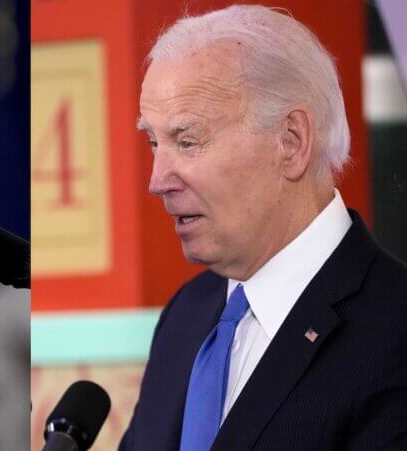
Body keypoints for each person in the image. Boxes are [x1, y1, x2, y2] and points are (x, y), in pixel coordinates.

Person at [122, 5, 407, 450]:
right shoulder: (187, 314)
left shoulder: (395, 328)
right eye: (154, 142)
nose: (157, 180)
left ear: (291, 142)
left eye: (187, 141)